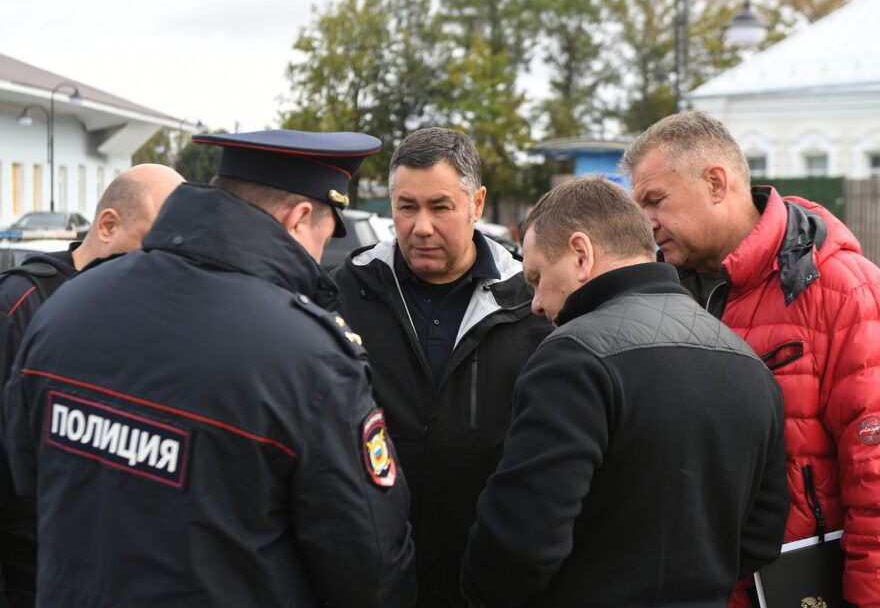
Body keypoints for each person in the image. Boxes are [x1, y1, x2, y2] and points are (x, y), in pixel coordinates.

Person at [0, 130, 416, 608]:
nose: (320, 259)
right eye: (323, 239)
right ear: (299, 218)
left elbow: (28, 477)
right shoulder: (310, 358)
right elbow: (370, 568)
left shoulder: (66, 304)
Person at [460, 176, 790, 608]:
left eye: (537, 277)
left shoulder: (571, 357)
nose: (536, 303)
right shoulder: (748, 362)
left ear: (581, 254)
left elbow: (518, 544)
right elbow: (761, 537)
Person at [622, 110, 880, 608]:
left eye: (655, 200)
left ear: (716, 183)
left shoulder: (844, 290)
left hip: (801, 588)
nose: (646, 223)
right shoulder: (657, 294)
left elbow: (873, 473)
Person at [330, 127, 552, 607]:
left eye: (440, 207)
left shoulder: (531, 306)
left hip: (484, 581)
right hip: (367, 580)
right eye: (407, 207)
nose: (422, 227)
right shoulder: (343, 295)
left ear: (477, 204)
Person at [0, 162, 182, 608]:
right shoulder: (20, 304)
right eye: (153, 242)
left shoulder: (147, 310)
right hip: (28, 568)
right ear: (108, 225)